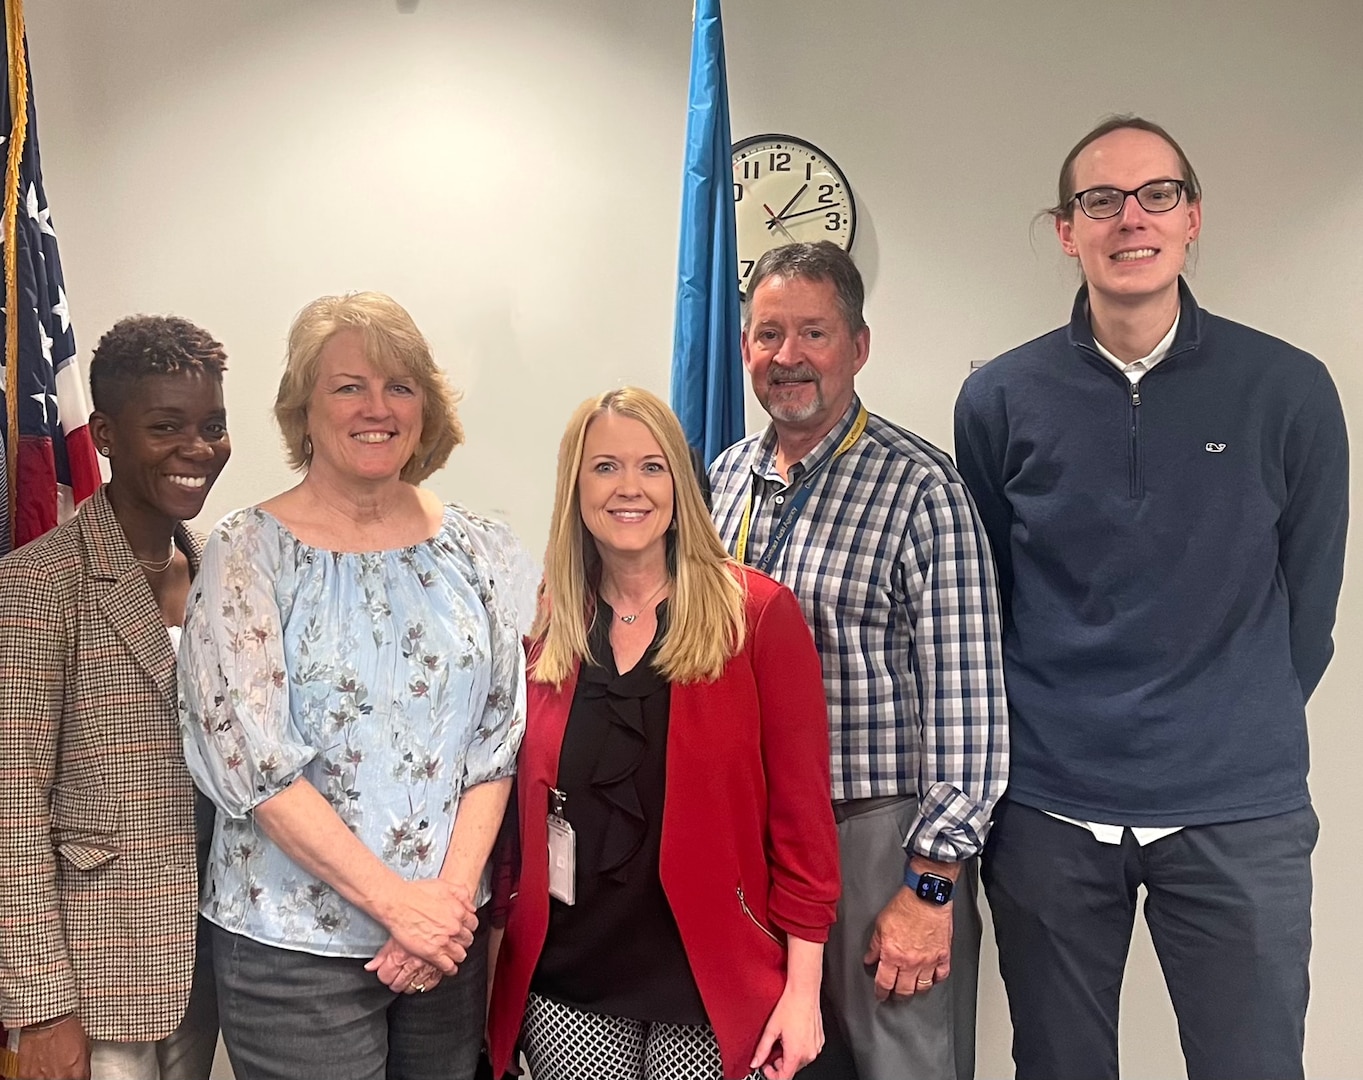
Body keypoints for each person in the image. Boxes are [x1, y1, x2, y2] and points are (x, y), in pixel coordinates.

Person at [953, 115, 1348, 1080]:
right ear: (1065, 229)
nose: (1130, 219)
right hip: (1050, 807)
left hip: (1235, 809)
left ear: (1191, 217)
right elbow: (989, 603)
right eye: (1099, 200)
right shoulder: (1000, 399)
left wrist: (1225, 717)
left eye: (1155, 195)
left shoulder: (1288, 390)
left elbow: (1311, 604)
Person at [177, 292, 535, 1080]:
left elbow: (497, 741)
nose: (377, 408)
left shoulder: (479, 546)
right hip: (292, 955)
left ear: (425, 408)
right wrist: (397, 906)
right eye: (348, 387)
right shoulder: (245, 554)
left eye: (399, 387)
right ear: (303, 411)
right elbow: (253, 766)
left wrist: (440, 906)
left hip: (446, 942)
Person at [709, 241, 1008, 1080]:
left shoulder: (922, 491)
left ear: (858, 346)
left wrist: (929, 888)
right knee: (767, 1063)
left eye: (814, 332)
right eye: (768, 334)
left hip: (873, 838)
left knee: (898, 1066)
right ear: (744, 348)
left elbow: (968, 706)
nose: (788, 357)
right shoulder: (722, 480)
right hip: (752, 842)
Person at [487, 387, 839, 1080]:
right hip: (571, 983)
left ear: (680, 483)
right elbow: (515, 829)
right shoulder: (544, 628)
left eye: (652, 467)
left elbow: (803, 826)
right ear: (575, 488)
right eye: (605, 467)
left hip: (711, 984)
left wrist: (803, 993)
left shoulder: (758, 617)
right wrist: (498, 973)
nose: (629, 488)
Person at [0, 315, 230, 1079]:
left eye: (212, 426)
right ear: (102, 433)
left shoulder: (224, 580)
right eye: (166, 426)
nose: (197, 449)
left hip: (204, 962)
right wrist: (40, 1006)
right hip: (92, 977)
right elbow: (12, 803)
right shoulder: (38, 584)